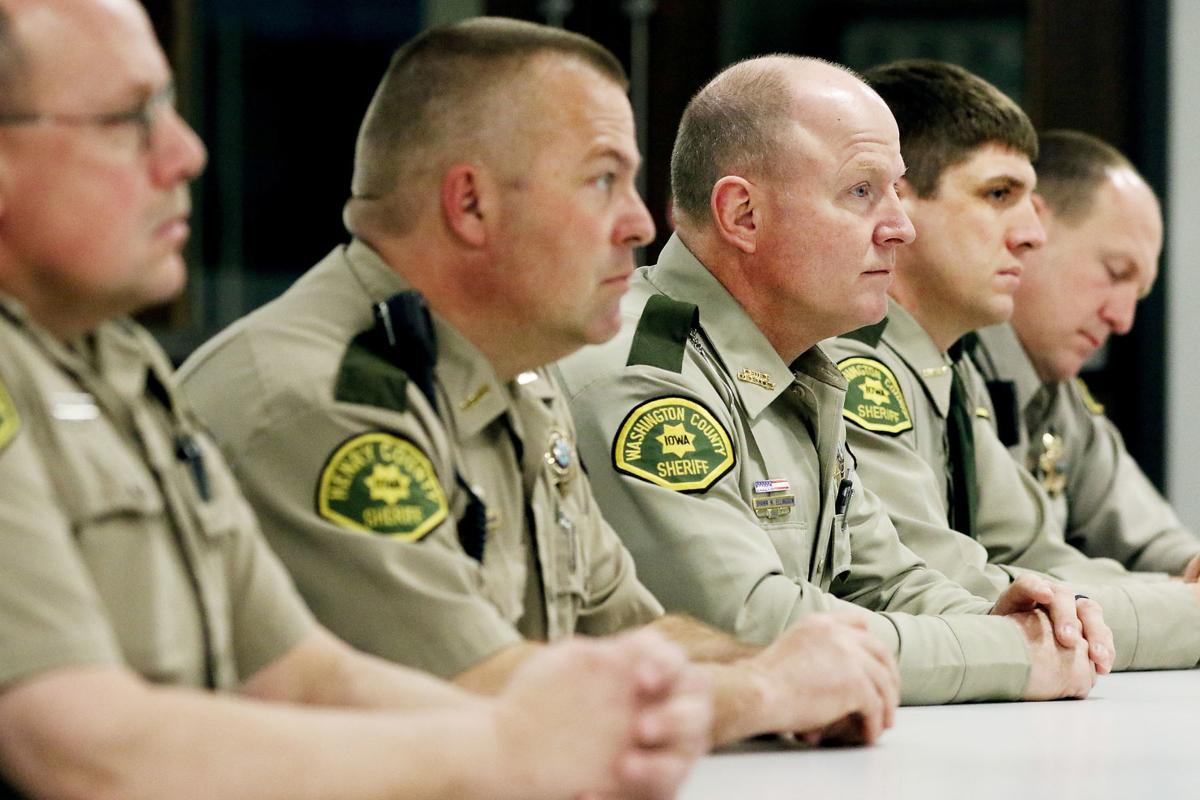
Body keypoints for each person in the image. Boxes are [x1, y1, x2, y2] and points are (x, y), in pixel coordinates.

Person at [0, 2, 715, 798]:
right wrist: (504, 750)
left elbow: (299, 671)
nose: (186, 152)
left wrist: (537, 739)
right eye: (129, 118)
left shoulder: (116, 363)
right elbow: (74, 746)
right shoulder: (299, 392)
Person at [180, 17, 901, 746]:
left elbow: (625, 629)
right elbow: (476, 688)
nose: (637, 224)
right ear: (471, 205)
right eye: (601, 180)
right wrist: (767, 689)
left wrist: (789, 669)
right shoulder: (320, 399)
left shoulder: (518, 378)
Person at [557, 53, 1109, 706]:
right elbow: (753, 626)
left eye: (898, 191)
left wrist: (1013, 619)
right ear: (743, 216)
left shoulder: (800, 367)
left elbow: (888, 579)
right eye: (861, 192)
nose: (901, 228)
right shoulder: (647, 373)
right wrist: (1013, 655)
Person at [823, 60, 1200, 673]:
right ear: (897, 199)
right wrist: (1184, 614)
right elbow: (952, 587)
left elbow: (1031, 549)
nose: (1030, 234)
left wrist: (1181, 595)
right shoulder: (853, 364)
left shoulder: (949, 368)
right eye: (999, 195)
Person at [970, 129, 1200, 579]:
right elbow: (1017, 567)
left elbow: (1152, 540)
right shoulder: (947, 366)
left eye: (1139, 293)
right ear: (1031, 229)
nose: (1123, 320)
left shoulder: (1057, 396)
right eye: (1115, 273)